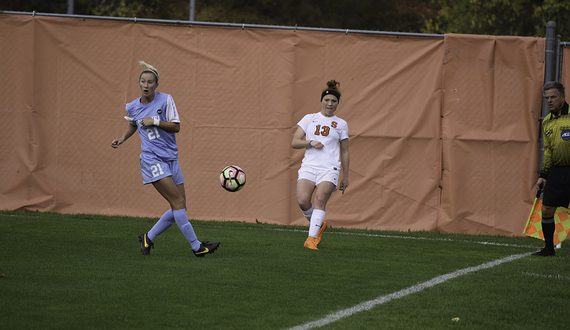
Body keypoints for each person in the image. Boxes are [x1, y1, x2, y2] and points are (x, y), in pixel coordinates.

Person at [111, 61, 220, 257]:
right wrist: (122, 138)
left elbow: (176, 127)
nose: (146, 85)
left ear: (156, 85)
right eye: (143, 81)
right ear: (139, 83)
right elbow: (134, 124)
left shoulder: (166, 100)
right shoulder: (132, 107)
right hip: (152, 160)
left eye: (150, 82)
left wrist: (155, 121)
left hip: (171, 158)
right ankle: (197, 247)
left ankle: (148, 237)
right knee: (178, 202)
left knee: (180, 205)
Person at [291, 80, 350, 250]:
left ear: (338, 104)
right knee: (303, 201)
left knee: (320, 199)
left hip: (329, 168)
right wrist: (310, 142)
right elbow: (295, 142)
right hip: (309, 166)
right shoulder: (310, 118)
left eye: (334, 101)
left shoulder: (341, 124)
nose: (330, 104)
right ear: (321, 101)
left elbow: (345, 151)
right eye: (327, 100)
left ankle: (311, 239)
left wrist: (345, 177)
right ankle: (319, 225)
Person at [534, 81, 570, 257]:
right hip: (557, 172)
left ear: (563, 97)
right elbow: (548, 151)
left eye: (553, 97)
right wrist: (543, 175)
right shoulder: (547, 122)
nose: (549, 100)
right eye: (547, 97)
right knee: (547, 209)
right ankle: (548, 249)